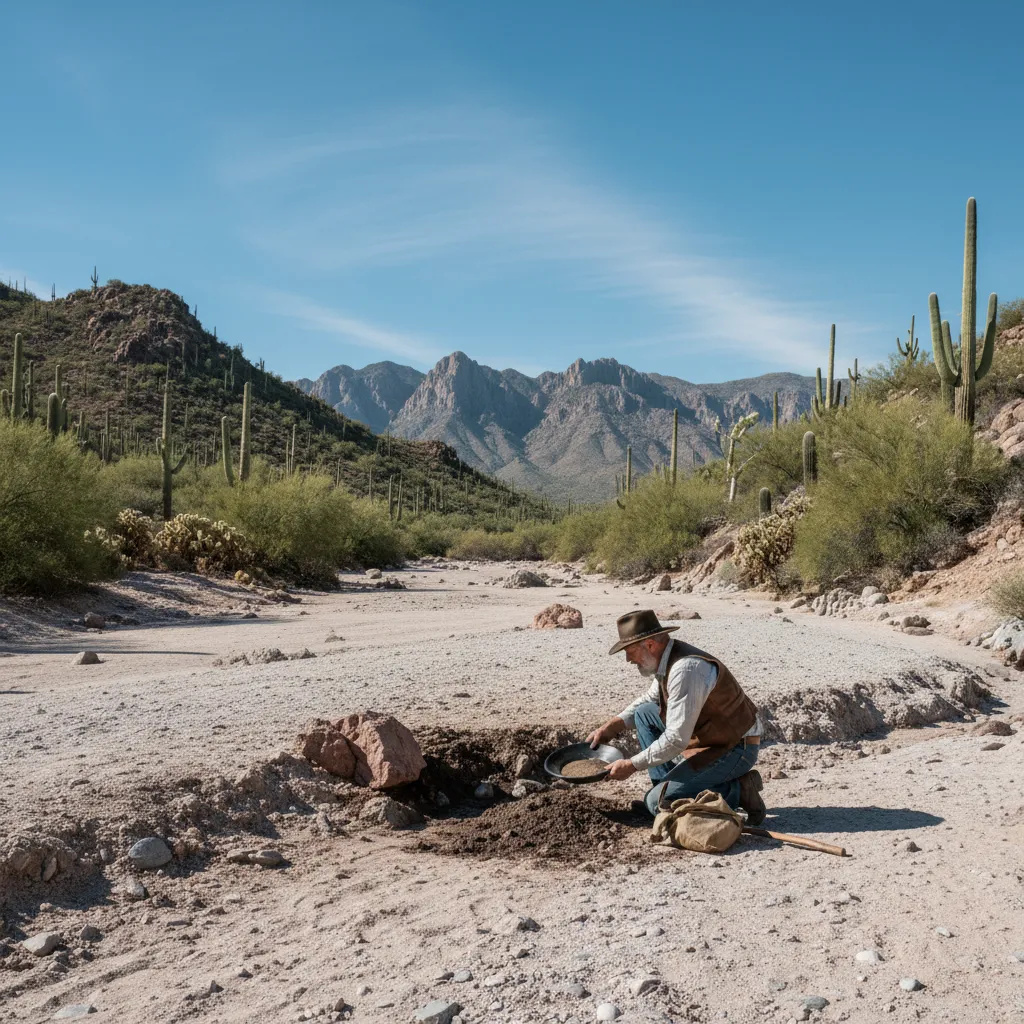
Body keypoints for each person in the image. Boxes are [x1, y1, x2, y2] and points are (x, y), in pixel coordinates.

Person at [587, 609, 766, 821]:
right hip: (710, 740)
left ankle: (739, 789)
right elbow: (650, 700)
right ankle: (666, 791)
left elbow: (676, 739)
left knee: (655, 803)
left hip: (734, 748)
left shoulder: (686, 669)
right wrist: (612, 726)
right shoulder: (668, 660)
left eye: (629, 651)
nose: (628, 659)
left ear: (650, 645)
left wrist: (632, 765)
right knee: (644, 714)